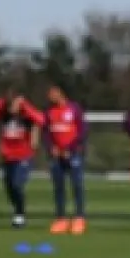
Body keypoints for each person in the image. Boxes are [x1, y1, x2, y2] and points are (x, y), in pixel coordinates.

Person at [0, 89, 45, 228]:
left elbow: (41, 120)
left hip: (24, 155)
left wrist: (23, 105)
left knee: (17, 184)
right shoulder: (2, 111)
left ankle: (20, 214)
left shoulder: (26, 113)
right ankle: (17, 211)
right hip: (7, 156)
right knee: (9, 187)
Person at [43, 85, 88, 234]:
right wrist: (52, 148)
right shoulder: (49, 112)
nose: (50, 97)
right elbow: (46, 132)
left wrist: (70, 149)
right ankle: (61, 218)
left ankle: (79, 218)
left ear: (60, 94)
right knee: (59, 187)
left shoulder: (74, 108)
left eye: (52, 94)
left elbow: (82, 131)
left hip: (73, 153)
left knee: (77, 186)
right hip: (57, 155)